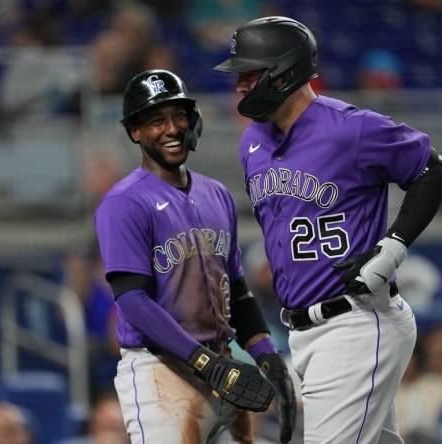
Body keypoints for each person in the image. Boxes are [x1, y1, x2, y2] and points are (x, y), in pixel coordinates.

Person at [214, 16, 442, 444]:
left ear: (283, 72)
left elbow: (434, 171)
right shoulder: (252, 142)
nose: (239, 86)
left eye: (249, 74)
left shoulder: (351, 127)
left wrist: (392, 248)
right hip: (303, 333)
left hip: (357, 322)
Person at [93, 69, 296, 444]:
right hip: (161, 371)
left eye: (178, 116)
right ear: (134, 132)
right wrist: (204, 362)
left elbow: (236, 289)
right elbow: (133, 300)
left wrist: (269, 358)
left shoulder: (217, 194)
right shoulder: (123, 202)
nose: (171, 128)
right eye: (155, 120)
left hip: (224, 366)